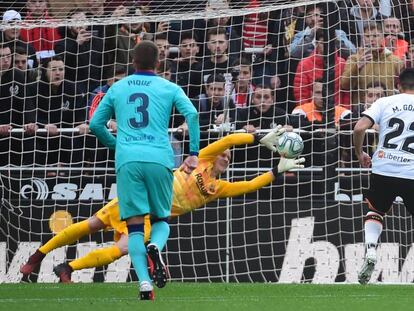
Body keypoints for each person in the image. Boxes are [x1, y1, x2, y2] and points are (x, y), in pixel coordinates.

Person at [20, 130, 305, 284]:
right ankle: (38, 255)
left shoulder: (218, 188)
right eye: (224, 154)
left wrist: (276, 171)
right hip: (141, 194)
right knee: (93, 224)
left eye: (229, 157)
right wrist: (256, 139)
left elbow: (250, 185)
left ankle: (67, 266)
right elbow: (229, 139)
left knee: (120, 250)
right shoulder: (201, 159)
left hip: (149, 214)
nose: (226, 156)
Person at [89, 40, 200, 300]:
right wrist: (193, 153)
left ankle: (144, 285)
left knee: (134, 226)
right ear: (158, 63)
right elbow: (192, 114)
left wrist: (117, 146)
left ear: (133, 63)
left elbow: (95, 124)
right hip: (160, 158)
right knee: (161, 219)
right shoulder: (169, 87)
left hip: (128, 160)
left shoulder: (117, 88)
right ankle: (156, 246)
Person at [353, 68, 414, 285]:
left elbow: (359, 128)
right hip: (412, 172)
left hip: (384, 168)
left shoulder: (385, 102)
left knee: (376, 210)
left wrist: (360, 153)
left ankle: (370, 250)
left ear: (399, 85)